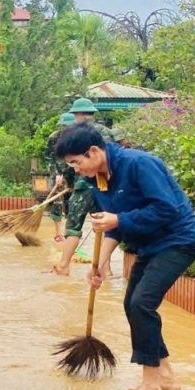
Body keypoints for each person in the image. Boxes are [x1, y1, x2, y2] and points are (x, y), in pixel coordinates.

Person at [54, 123, 195, 390]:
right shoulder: (100, 179)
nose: (75, 170)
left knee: (141, 303)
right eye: (70, 165)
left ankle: (151, 388)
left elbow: (166, 210)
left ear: (94, 151)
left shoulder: (139, 164)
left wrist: (117, 218)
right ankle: (166, 377)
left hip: (177, 241)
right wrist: (100, 263)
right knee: (131, 304)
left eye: (76, 163)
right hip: (148, 245)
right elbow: (110, 225)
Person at [53, 98, 123, 276]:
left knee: (73, 226)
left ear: (78, 115)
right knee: (105, 224)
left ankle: (63, 265)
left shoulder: (78, 135)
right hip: (107, 186)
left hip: (84, 184)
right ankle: (105, 269)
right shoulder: (106, 132)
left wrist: (70, 182)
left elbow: (68, 165)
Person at [44, 112, 77, 242]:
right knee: (57, 202)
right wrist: (57, 174)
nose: (66, 128)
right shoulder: (54, 138)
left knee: (73, 201)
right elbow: (49, 158)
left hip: (74, 171)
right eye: (64, 126)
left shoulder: (78, 137)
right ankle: (58, 233)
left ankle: (71, 232)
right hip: (57, 173)